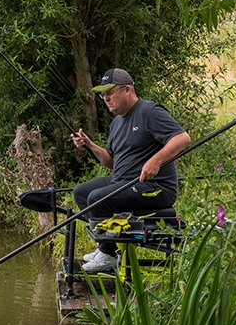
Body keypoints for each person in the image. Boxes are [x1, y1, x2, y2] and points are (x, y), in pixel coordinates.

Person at [71, 68, 191, 272]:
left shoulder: (150, 112)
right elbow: (110, 162)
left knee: (97, 198)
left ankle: (107, 253)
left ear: (127, 90)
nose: (106, 98)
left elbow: (182, 138)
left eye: (110, 93)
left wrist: (156, 161)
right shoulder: (117, 122)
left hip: (154, 187)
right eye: (103, 95)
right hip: (122, 181)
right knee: (81, 193)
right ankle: (107, 247)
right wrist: (89, 145)